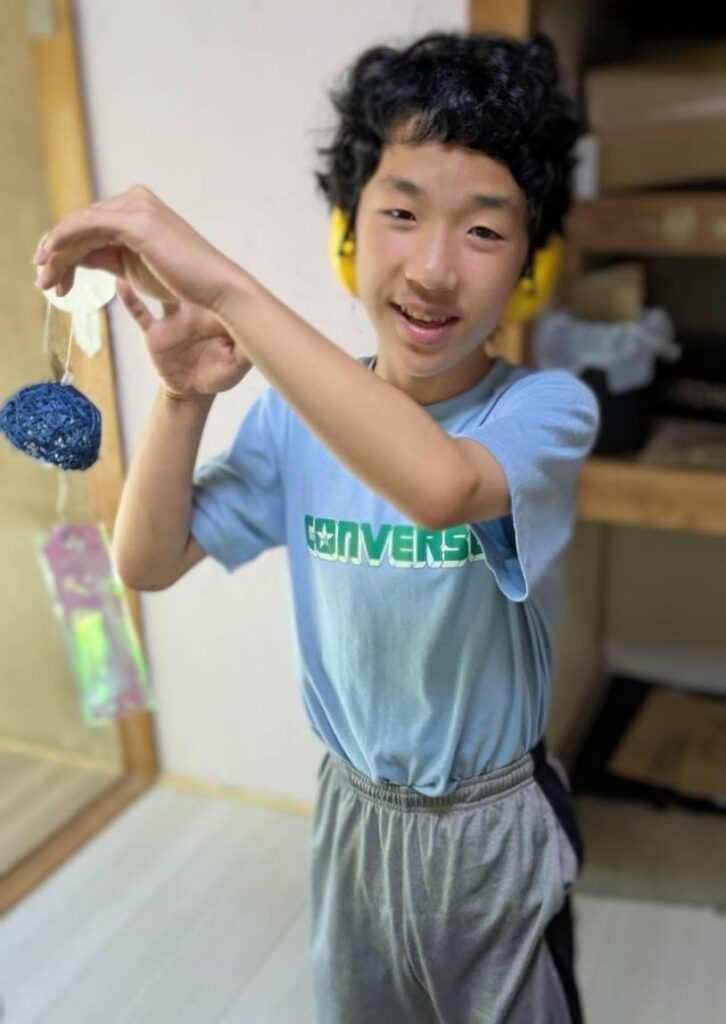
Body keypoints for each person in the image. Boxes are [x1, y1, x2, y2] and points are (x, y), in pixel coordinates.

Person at [34, 29, 599, 1024]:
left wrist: (228, 288)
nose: (433, 268)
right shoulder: (297, 420)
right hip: (352, 811)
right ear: (349, 231)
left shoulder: (546, 411)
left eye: (482, 231)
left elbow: (440, 485)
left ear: (529, 263)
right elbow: (145, 560)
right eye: (400, 214)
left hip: (490, 827)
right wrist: (184, 397)